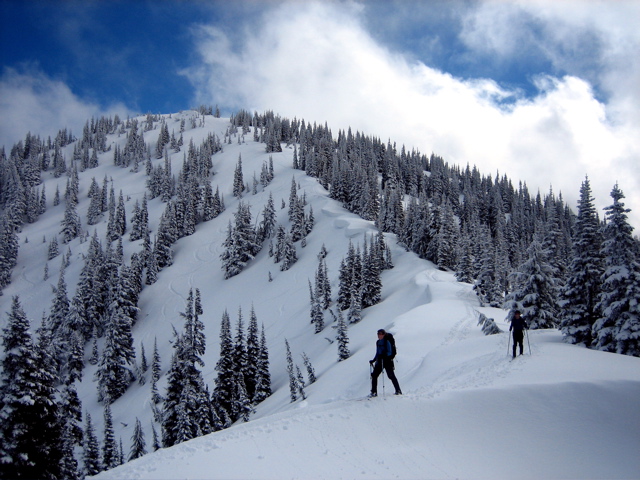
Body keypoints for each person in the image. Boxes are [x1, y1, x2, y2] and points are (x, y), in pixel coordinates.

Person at [369, 329, 402, 396]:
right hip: (380, 361)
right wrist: (374, 360)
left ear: (384, 334)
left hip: (387, 361)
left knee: (391, 376)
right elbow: (378, 352)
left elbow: (390, 352)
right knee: (374, 375)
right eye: (378, 334)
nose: (379, 335)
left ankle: (398, 390)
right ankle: (373, 392)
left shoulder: (387, 341)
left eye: (381, 334)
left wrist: (384, 356)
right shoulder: (378, 342)